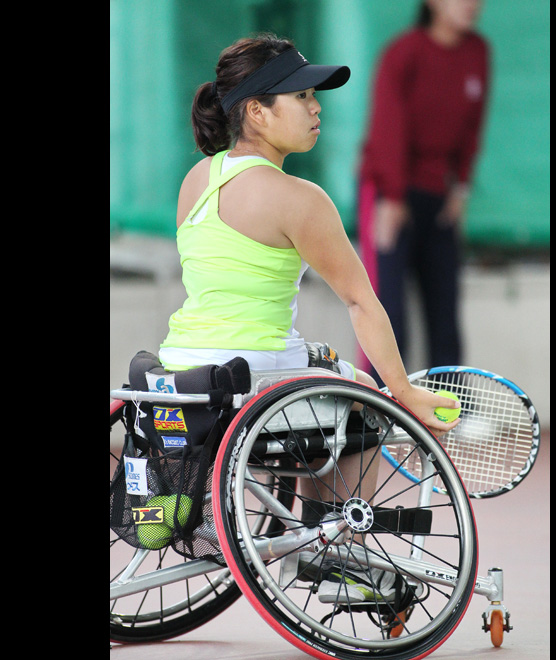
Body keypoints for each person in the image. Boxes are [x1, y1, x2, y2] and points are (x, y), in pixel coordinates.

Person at [157, 33, 460, 604]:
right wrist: (401, 391)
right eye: (300, 96)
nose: (316, 106)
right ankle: (336, 548)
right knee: (363, 397)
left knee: (326, 376)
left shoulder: (197, 180)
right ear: (255, 111)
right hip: (252, 376)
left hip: (181, 371)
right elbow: (361, 302)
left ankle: (309, 532)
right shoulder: (299, 198)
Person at [358, 0, 490, 384]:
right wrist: (394, 198)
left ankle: (451, 412)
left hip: (441, 196)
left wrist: (460, 187)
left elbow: (472, 128)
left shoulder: (477, 52)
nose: (471, 4)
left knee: (444, 310)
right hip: (388, 192)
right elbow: (387, 127)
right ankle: (379, 411)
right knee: (388, 310)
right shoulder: (404, 53)